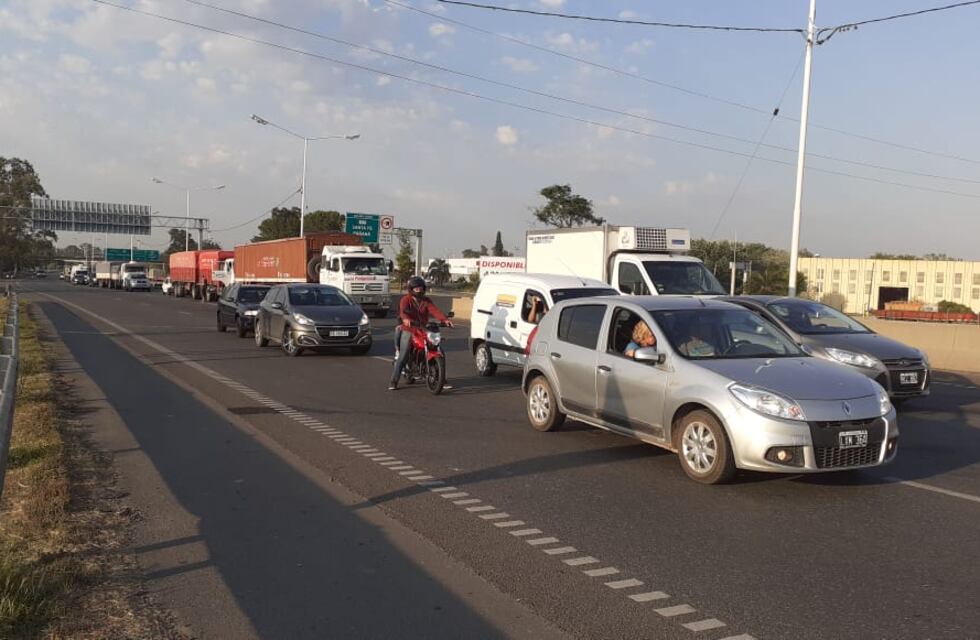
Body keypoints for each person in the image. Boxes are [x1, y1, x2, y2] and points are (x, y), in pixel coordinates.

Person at [390, 276, 453, 390]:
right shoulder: (405, 300)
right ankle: (394, 381)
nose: (419, 290)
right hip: (409, 329)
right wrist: (405, 319)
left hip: (423, 329)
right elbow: (403, 311)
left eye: (421, 288)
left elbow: (435, 310)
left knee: (439, 350)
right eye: (416, 289)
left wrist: (445, 320)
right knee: (403, 355)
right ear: (411, 289)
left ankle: (442, 379)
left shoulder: (426, 301)